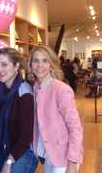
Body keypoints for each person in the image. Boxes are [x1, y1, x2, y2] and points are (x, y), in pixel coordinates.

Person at [29, 45, 83, 173]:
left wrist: (73, 161)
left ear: (51, 64)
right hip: (49, 154)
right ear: (30, 64)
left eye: (45, 60)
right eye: (35, 61)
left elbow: (75, 127)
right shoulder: (36, 87)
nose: (39, 65)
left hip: (64, 156)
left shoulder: (61, 90)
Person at [0, 47, 38, 173]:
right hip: (4, 149)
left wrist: (9, 161)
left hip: (23, 153)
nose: (0, 69)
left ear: (16, 66)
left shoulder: (24, 92)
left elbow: (26, 137)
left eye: (4, 65)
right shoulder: (0, 89)